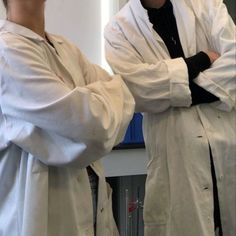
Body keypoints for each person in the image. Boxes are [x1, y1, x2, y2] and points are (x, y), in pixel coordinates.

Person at [0, 0, 135, 235]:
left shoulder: (66, 48)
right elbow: (93, 126)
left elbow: (124, 95)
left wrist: (91, 104)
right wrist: (97, 100)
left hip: (91, 204)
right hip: (41, 215)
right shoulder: (6, 52)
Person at [104, 0, 236, 235]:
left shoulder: (207, 6)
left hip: (227, 146)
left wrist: (171, 90)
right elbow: (138, 90)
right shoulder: (118, 29)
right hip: (176, 160)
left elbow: (234, 64)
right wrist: (202, 60)